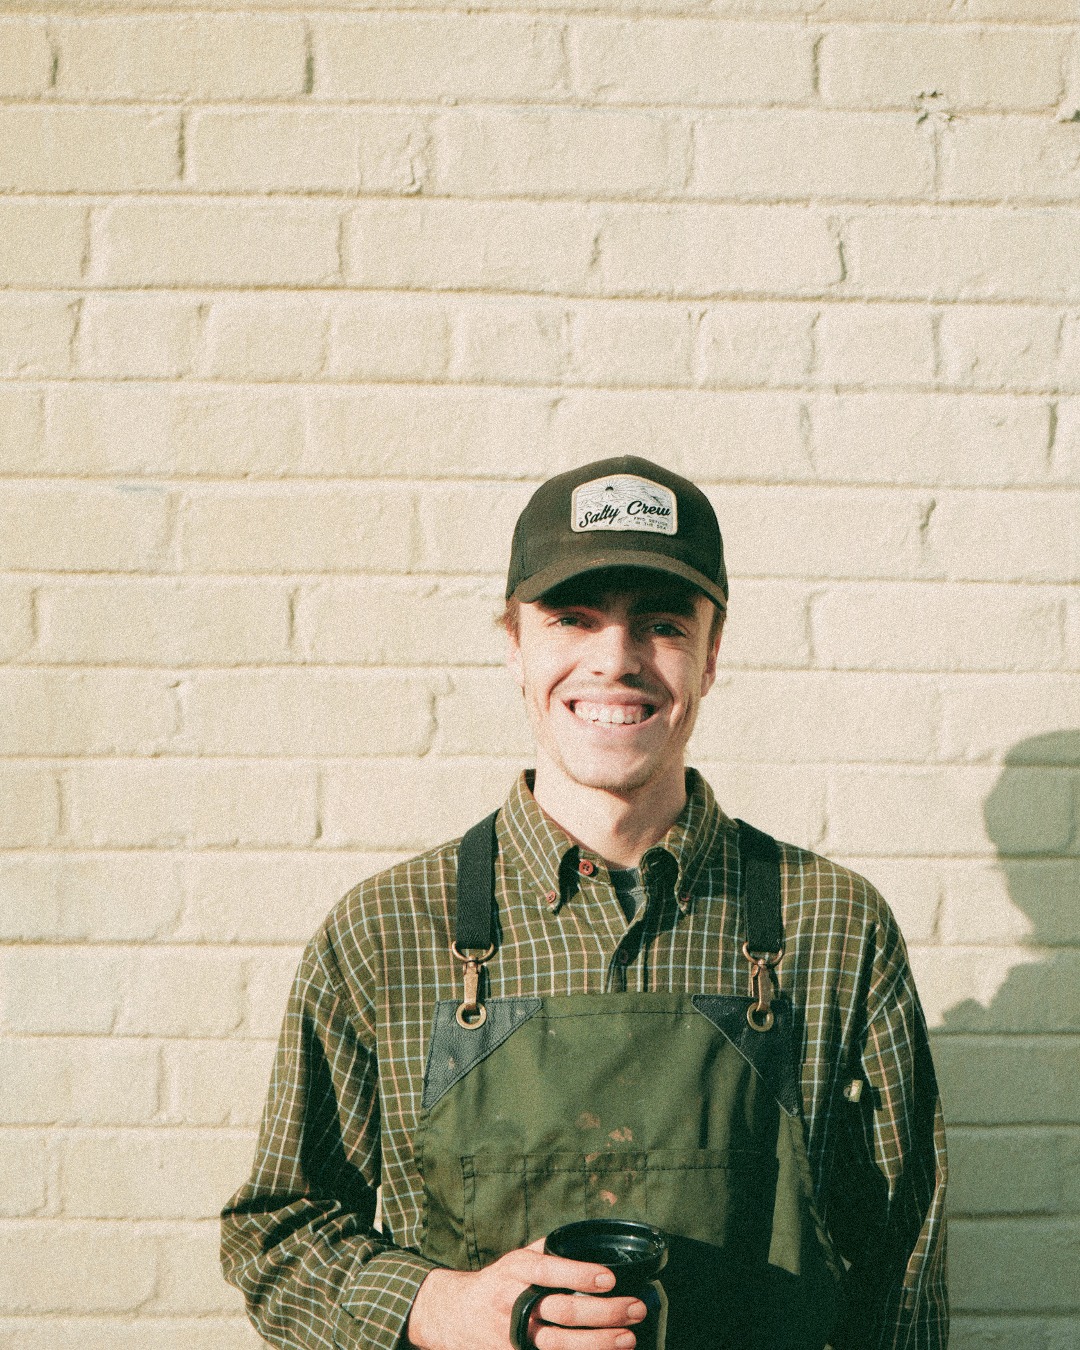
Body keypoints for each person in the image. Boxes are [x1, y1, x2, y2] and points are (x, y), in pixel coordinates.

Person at [221, 456, 948, 1350]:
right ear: (514, 645)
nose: (615, 660)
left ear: (712, 654)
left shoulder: (832, 926)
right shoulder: (387, 932)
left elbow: (903, 1279)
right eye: (573, 618)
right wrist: (443, 1306)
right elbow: (278, 1236)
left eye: (663, 625)